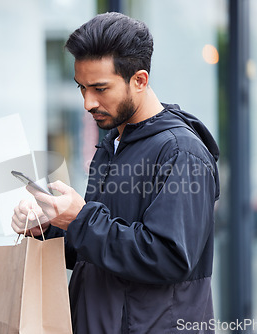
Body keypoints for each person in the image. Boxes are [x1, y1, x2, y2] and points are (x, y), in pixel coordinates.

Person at [11, 12, 220, 334]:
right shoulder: (115, 143)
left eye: (99, 88)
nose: (88, 102)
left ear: (139, 80)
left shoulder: (181, 153)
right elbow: (101, 250)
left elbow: (169, 258)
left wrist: (79, 219)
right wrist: (48, 226)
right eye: (81, 88)